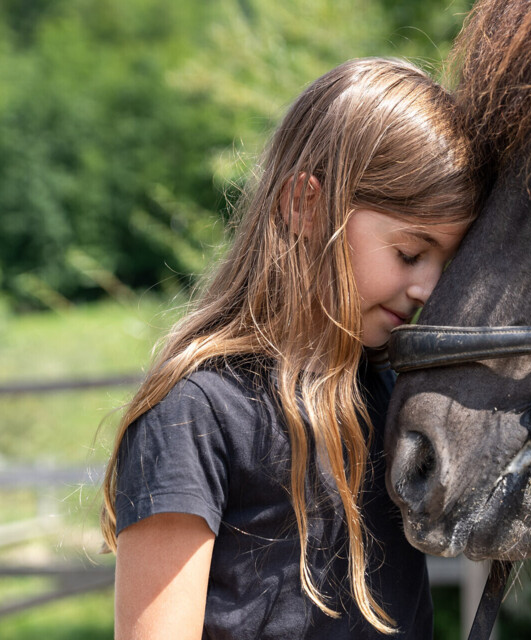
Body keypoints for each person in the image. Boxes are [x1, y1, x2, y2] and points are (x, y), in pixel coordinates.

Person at [99, 57, 478, 639]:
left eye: (443, 265)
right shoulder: (195, 415)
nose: (427, 288)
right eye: (409, 253)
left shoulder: (397, 402)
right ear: (304, 205)